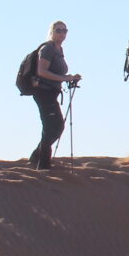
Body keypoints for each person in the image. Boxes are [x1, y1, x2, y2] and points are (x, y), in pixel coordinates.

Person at [28, 21, 82, 170]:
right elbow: (42, 71)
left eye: (65, 30)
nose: (62, 33)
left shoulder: (58, 49)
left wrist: (70, 77)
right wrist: (66, 78)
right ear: (51, 32)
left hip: (51, 93)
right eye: (58, 30)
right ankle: (43, 164)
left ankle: (36, 157)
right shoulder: (48, 48)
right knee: (52, 127)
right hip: (43, 92)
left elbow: (56, 72)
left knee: (56, 127)